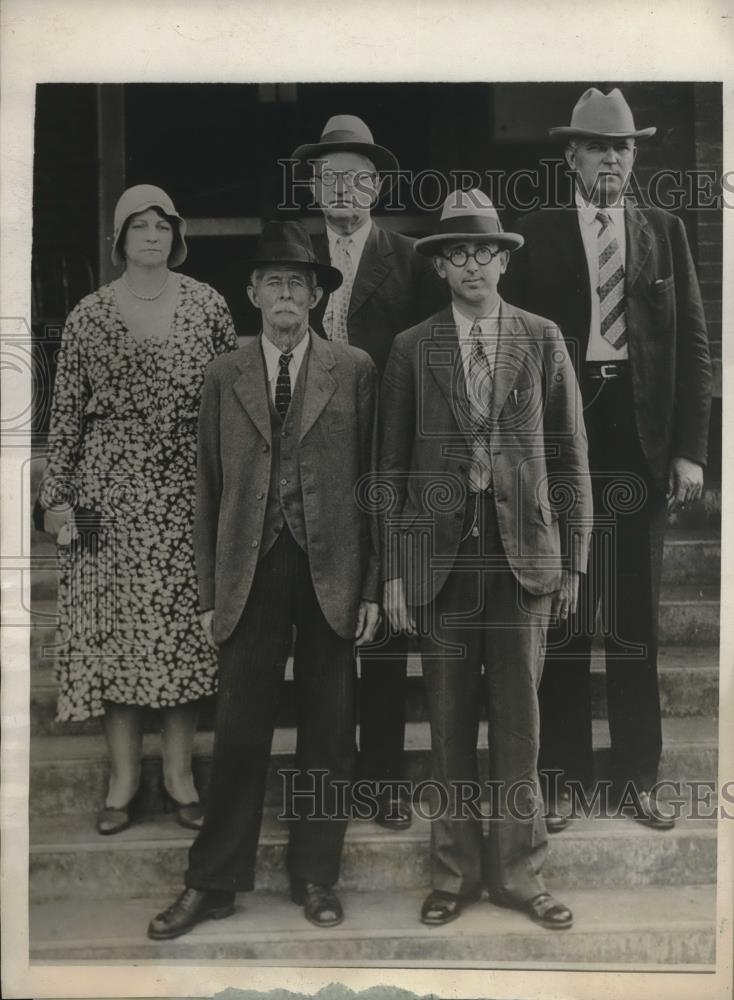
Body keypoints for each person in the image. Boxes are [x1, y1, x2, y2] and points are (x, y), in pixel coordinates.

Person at [147, 220, 380, 940]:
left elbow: (375, 485)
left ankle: (316, 875)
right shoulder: (226, 373)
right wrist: (210, 589)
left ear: (316, 296)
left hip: (332, 569)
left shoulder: (355, 368)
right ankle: (213, 881)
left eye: (299, 283)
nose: (286, 294)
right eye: (273, 282)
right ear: (251, 293)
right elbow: (207, 488)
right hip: (250, 566)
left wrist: (372, 585)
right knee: (242, 728)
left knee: (329, 729)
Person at [501, 87, 713, 831]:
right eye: (597, 147)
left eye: (623, 148)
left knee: (632, 622)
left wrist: (690, 450)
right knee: (561, 612)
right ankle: (559, 779)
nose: (612, 159)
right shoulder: (535, 233)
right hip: (561, 442)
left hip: (639, 441)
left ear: (634, 158)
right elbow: (513, 352)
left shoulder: (663, 231)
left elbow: (693, 347)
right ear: (571, 157)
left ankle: (636, 778)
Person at [379, 189, 592, 930]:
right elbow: (393, 466)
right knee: (446, 723)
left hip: (523, 555)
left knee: (519, 723)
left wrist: (573, 559)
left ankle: (520, 873)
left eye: (485, 253)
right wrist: (397, 569)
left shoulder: (541, 338)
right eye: (457, 254)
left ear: (504, 261)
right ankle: (455, 872)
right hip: (441, 560)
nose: (473, 266)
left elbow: (569, 456)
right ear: (440, 268)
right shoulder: (412, 348)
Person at [37, 184, 238, 835]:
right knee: (115, 635)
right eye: (138, 227)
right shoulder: (90, 314)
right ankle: (122, 781)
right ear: (119, 238)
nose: (151, 236)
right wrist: (54, 504)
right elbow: (65, 415)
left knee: (183, 637)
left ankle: (179, 776)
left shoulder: (206, 304)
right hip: (106, 497)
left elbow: (236, 400)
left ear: (174, 236)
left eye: (161, 226)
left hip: (187, 493)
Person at [291, 114, 448, 829]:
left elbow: (426, 362)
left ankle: (383, 782)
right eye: (330, 178)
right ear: (314, 186)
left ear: (377, 187)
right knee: (325, 624)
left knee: (383, 619)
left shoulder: (410, 258)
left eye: (357, 178)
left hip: (386, 459)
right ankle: (331, 778)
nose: (343, 189)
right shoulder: (292, 257)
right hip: (311, 458)